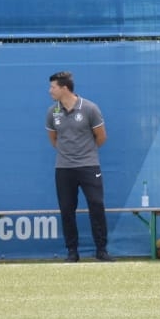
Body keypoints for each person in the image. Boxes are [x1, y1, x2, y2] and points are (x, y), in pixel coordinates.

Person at [46, 70, 110, 262]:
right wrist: (68, 155)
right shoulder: (52, 112)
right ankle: (72, 252)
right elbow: (54, 139)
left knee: (96, 205)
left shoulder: (90, 108)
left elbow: (101, 137)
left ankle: (101, 250)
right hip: (64, 168)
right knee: (66, 209)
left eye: (53, 87)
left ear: (64, 88)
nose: (50, 91)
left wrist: (85, 154)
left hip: (89, 166)